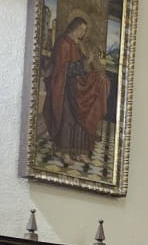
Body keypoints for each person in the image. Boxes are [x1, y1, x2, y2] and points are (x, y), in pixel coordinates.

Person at [42, 14, 110, 156]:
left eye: (84, 30)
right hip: (64, 86)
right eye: (81, 29)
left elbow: (81, 65)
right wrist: (85, 63)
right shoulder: (63, 43)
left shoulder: (76, 44)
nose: (83, 33)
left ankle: (79, 152)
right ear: (74, 27)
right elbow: (64, 68)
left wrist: (88, 61)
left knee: (102, 80)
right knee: (68, 119)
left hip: (76, 86)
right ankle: (65, 153)